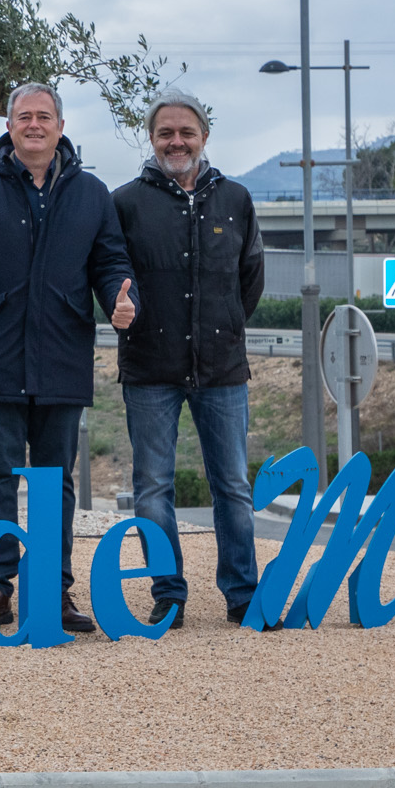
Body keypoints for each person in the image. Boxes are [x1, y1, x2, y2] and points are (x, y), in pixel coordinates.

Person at [0, 82, 136, 638]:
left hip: (62, 359)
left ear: (60, 126)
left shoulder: (92, 193)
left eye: (44, 117)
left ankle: (51, 587)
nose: (34, 125)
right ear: (8, 127)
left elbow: (111, 263)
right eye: (23, 117)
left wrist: (125, 301)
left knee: (56, 481)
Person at [112, 88, 267, 629]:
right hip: (149, 368)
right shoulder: (125, 202)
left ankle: (243, 593)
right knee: (153, 487)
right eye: (165, 133)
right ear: (151, 139)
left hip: (222, 369)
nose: (176, 142)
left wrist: (220, 327)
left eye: (186, 132)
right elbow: (112, 281)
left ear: (204, 137)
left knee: (233, 487)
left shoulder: (237, 200)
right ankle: (168, 594)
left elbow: (250, 281)